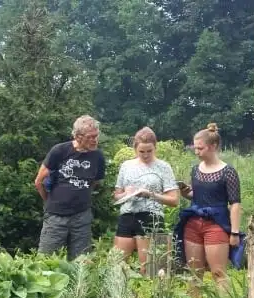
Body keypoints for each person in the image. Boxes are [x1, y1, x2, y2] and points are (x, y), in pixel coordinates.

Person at [173, 123, 244, 286]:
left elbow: (234, 204)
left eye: (200, 148)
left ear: (213, 146)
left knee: (218, 273)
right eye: (195, 148)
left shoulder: (228, 172)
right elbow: (198, 195)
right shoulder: (195, 170)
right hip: (193, 223)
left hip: (217, 224)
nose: (196, 152)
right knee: (193, 273)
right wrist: (186, 193)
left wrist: (234, 232)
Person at [34, 115, 106, 260]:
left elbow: (94, 183)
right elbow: (39, 181)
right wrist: (49, 202)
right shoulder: (60, 151)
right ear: (78, 136)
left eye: (96, 136)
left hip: (82, 216)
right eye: (90, 137)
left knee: (81, 263)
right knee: (46, 260)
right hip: (55, 216)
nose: (94, 140)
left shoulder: (98, 157)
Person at [113, 127, 179, 273]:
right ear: (135, 149)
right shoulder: (126, 166)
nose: (146, 155)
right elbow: (116, 196)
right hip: (127, 216)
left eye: (149, 151)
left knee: (153, 269)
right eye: (141, 151)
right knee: (117, 266)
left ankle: (153, 294)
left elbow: (174, 200)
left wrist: (150, 194)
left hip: (152, 217)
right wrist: (126, 194)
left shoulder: (164, 167)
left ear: (155, 147)